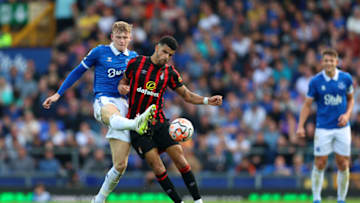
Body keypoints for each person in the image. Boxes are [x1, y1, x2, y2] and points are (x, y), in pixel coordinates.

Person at [42, 21, 156, 203]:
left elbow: (138, 85)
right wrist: (58, 94)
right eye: (118, 37)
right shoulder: (99, 52)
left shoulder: (134, 57)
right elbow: (78, 72)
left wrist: (128, 88)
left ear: (130, 38)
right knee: (113, 115)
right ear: (112, 37)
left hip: (125, 107)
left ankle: (99, 199)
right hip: (104, 100)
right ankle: (135, 124)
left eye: (125, 37)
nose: (122, 40)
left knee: (120, 165)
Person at [119, 35, 222, 203]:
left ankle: (198, 201)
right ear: (156, 47)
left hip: (158, 122)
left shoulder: (169, 73)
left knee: (180, 158)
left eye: (170, 55)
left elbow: (186, 95)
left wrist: (206, 100)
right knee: (156, 165)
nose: (166, 57)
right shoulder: (136, 63)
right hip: (138, 126)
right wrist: (122, 87)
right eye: (165, 52)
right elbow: (123, 81)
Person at [296, 48, 354, 203]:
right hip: (323, 128)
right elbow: (307, 105)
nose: (328, 63)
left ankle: (341, 199)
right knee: (320, 163)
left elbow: (350, 99)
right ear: (322, 62)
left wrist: (347, 115)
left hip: (342, 128)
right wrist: (301, 125)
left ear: (336, 62)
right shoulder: (315, 81)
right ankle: (316, 198)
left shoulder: (346, 78)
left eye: (331, 60)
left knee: (343, 163)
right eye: (326, 60)